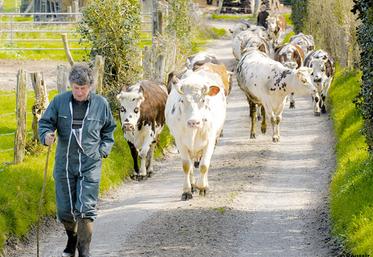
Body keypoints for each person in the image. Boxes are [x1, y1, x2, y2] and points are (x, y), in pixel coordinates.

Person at [38, 63, 116, 257]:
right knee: (65, 211)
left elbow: (109, 130)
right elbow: (45, 123)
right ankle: (72, 239)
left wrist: (103, 150)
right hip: (64, 164)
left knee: (85, 210)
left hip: (90, 163)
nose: (79, 92)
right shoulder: (59, 102)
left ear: (90, 87)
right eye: (76, 88)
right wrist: (47, 135)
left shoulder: (101, 104)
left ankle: (84, 250)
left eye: (83, 88)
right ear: (70, 85)